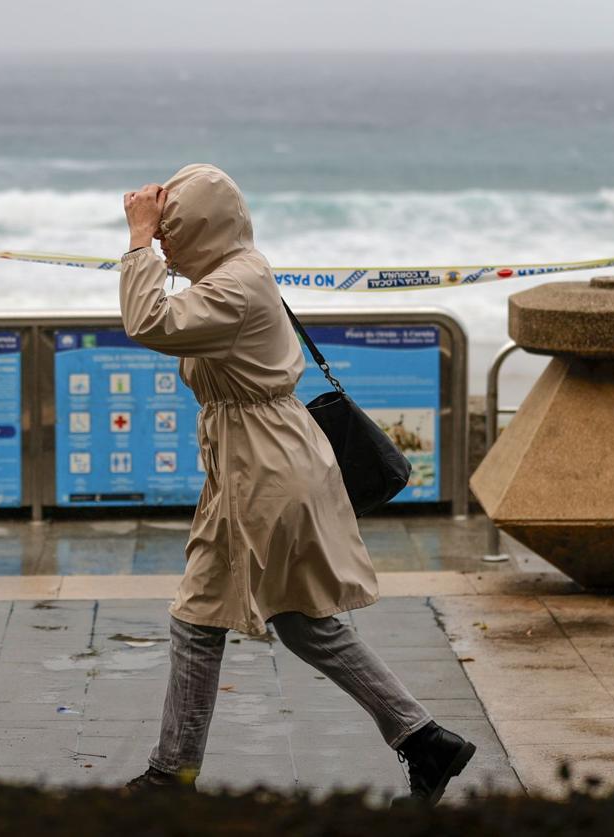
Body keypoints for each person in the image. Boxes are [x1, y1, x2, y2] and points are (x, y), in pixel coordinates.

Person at [118, 164, 475, 805]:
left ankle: (172, 776)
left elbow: (148, 324)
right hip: (252, 462)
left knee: (213, 617)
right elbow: (169, 314)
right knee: (293, 619)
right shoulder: (232, 272)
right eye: (162, 230)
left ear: (204, 228)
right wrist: (153, 243)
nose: (165, 241)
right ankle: (424, 739)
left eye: (174, 229)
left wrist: (139, 239)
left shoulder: (236, 286)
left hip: (266, 468)